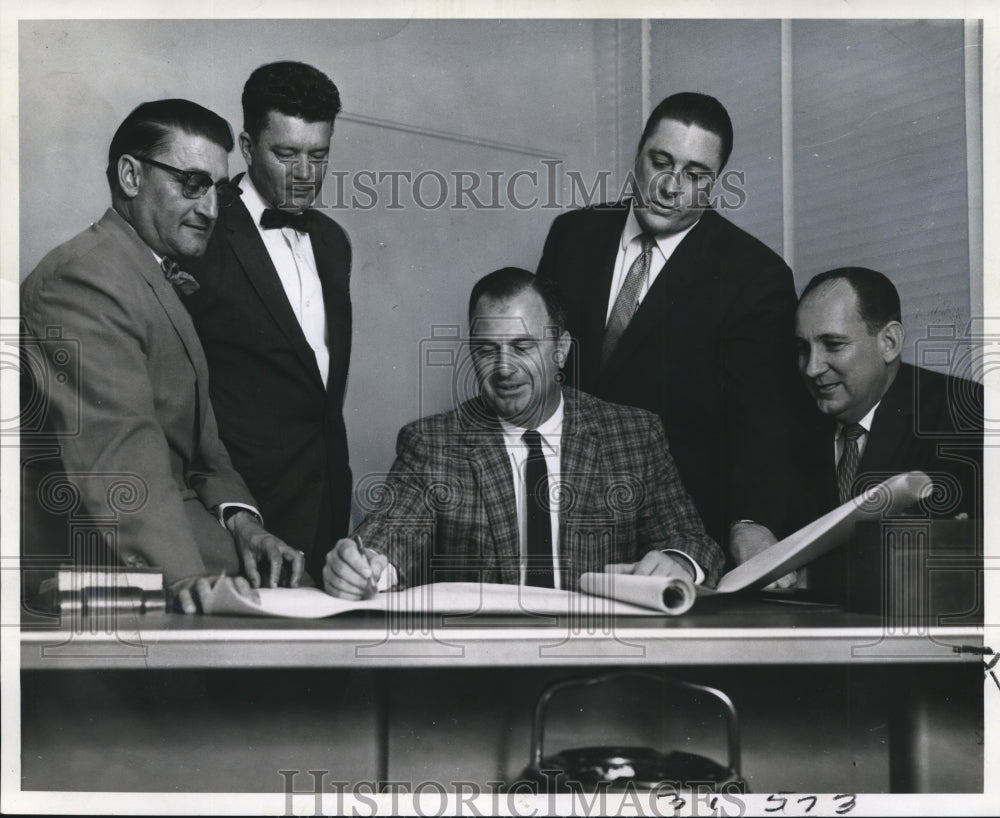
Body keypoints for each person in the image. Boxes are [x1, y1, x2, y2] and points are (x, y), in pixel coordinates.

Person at [20, 99, 304, 612]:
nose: (211, 209)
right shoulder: (84, 280)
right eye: (191, 183)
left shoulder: (147, 273)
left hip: (195, 568)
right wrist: (183, 579)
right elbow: (121, 453)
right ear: (130, 175)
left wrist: (244, 525)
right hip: (120, 590)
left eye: (218, 189)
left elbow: (200, 451)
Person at [322, 268, 724, 599]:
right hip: (482, 670)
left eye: (522, 347)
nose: (504, 368)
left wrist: (678, 560)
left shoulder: (634, 435)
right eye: (485, 350)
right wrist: (364, 567)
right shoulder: (434, 444)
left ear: (560, 350)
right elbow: (391, 535)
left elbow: (692, 539)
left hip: (602, 663)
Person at [536, 92, 805, 565]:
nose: (671, 187)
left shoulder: (756, 276)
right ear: (637, 155)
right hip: (554, 517)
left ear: (716, 182)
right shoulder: (572, 236)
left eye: (696, 175)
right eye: (661, 161)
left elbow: (763, 421)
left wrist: (750, 521)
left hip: (671, 539)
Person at [180, 61, 352, 585]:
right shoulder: (197, 232)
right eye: (287, 154)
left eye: (319, 155)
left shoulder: (332, 241)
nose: (305, 174)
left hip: (325, 507)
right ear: (248, 146)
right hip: (236, 517)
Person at [795, 267, 983, 519]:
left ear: (889, 343)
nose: (812, 368)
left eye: (833, 345)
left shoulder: (965, 414)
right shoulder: (790, 421)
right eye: (803, 348)